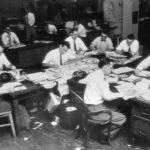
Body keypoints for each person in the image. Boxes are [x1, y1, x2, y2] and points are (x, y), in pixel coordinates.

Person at [84, 55, 126, 138]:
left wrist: (116, 79)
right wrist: (123, 94)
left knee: (117, 108)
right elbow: (108, 96)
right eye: (111, 68)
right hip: (94, 109)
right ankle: (103, 135)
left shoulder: (96, 73)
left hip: (89, 106)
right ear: (105, 67)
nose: (112, 70)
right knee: (122, 117)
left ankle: (104, 130)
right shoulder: (100, 78)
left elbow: (105, 80)